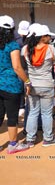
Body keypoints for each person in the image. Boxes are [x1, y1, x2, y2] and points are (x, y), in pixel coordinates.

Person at [23, 24, 55, 148]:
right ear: (42, 37)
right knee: (46, 113)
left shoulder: (26, 49)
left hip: (32, 85)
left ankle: (30, 140)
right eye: (47, 36)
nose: (50, 38)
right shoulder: (50, 49)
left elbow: (23, 68)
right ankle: (48, 139)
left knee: (33, 113)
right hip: (47, 86)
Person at [0, 15, 31, 154]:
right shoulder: (13, 46)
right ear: (13, 29)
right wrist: (27, 81)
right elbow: (17, 67)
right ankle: (13, 144)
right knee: (12, 116)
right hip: (11, 86)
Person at [16, 20, 30, 117]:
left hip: (26, 67)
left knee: (26, 87)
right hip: (21, 67)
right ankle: (22, 106)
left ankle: (24, 105)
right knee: (22, 86)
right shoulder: (17, 41)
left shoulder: (27, 40)